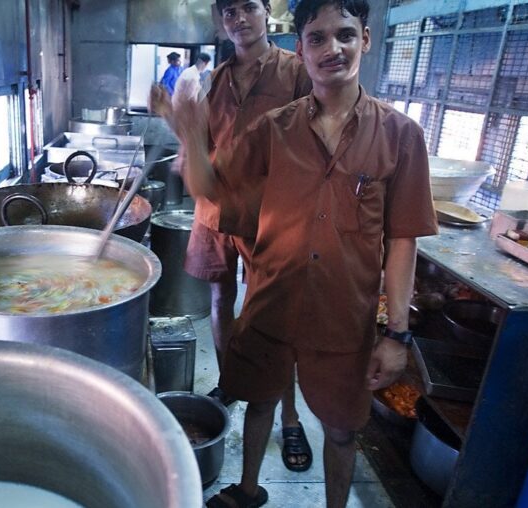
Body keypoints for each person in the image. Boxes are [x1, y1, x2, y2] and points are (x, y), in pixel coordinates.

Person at [167, 0, 438, 506]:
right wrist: (188, 131)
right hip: (272, 300)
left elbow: (404, 239)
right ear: (302, 48)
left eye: (345, 35)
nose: (332, 48)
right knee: (259, 402)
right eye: (317, 38)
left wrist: (397, 335)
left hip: (344, 315)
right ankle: (248, 489)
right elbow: (209, 186)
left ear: (366, 39)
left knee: (341, 429)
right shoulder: (275, 129)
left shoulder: (400, 136)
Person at [150, 0, 316, 478]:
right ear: (220, 21)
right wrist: (171, 116)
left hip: (272, 212)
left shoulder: (296, 72)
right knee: (220, 299)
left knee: (275, 316)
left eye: (248, 7)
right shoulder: (213, 81)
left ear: (267, 12)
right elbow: (198, 143)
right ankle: (231, 381)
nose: (239, 18)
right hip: (215, 208)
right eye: (228, 12)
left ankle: (289, 417)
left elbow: (311, 142)